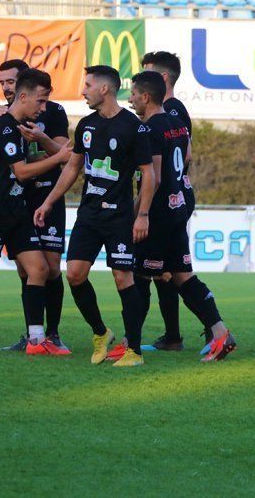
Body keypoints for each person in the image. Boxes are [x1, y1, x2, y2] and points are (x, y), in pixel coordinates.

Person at [108, 70, 236, 363]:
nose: (130, 100)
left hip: (159, 214)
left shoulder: (150, 129)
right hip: (178, 209)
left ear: (146, 96)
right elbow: (187, 156)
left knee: (138, 275)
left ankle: (130, 343)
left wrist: (138, 214)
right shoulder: (177, 124)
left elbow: (151, 177)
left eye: (134, 94)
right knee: (182, 276)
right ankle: (219, 333)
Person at [34, 66, 155, 368]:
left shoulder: (134, 127)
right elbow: (73, 168)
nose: (82, 91)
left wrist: (143, 215)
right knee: (74, 274)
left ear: (105, 89)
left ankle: (135, 351)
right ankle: (101, 333)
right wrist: (48, 202)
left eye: (87, 85)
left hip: (119, 217)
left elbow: (149, 174)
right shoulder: (85, 125)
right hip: (89, 214)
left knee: (122, 277)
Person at [0, 68, 68, 357]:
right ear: (24, 97)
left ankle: (36, 340)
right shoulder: (6, 126)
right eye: (40, 102)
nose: (43, 108)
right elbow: (20, 171)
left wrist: (49, 149)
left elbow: (24, 161)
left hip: (18, 209)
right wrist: (58, 156)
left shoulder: (22, 127)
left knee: (40, 269)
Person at [139, 51, 207, 352]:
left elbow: (186, 152)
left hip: (170, 197)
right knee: (166, 272)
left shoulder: (170, 110)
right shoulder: (166, 111)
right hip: (173, 195)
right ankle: (174, 336)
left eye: (148, 73)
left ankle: (140, 340)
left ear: (162, 78)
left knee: (159, 269)